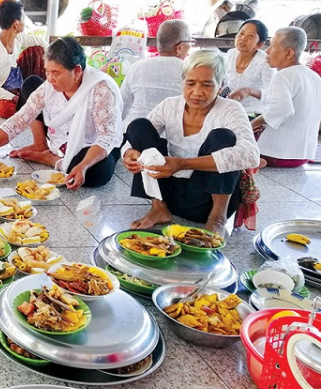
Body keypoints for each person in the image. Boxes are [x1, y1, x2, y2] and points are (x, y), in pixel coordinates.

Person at [122, 50, 260, 235]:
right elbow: (136, 137)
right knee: (138, 126)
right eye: (190, 83)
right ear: (182, 83)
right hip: (170, 195)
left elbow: (251, 155)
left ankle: (217, 218)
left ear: (220, 86)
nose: (197, 92)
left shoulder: (231, 109)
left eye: (207, 85)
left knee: (223, 137)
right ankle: (158, 208)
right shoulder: (170, 105)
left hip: (206, 200)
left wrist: (182, 164)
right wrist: (130, 154)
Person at [0, 37, 122, 190]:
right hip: (61, 137)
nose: (50, 79)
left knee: (96, 172)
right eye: (47, 71)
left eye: (56, 73)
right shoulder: (49, 87)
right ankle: (43, 148)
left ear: (77, 71)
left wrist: (83, 166)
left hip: (93, 144)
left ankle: (50, 158)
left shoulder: (101, 89)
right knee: (31, 83)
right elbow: (21, 119)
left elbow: (106, 137)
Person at [251, 27, 321, 168]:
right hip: (304, 155)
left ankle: (253, 161)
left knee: (230, 135)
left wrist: (252, 124)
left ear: (289, 53)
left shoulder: (283, 76)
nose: (267, 51)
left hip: (276, 154)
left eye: (272, 46)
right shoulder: (315, 77)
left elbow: (281, 109)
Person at [0, 0, 47, 120]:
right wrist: (17, 98)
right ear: (16, 24)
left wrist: (52, 62)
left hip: (10, 80)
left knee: (38, 50)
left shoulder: (18, 37)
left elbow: (41, 42)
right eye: (24, 19)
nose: (25, 23)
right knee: (11, 110)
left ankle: (44, 92)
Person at [120, 20, 191, 131]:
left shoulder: (137, 67)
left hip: (131, 133)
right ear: (179, 48)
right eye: (190, 42)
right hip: (169, 139)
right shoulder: (190, 70)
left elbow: (121, 106)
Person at [225, 19, 275, 115]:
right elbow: (224, 81)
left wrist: (248, 91)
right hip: (232, 108)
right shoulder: (231, 54)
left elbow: (271, 93)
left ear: (259, 44)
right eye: (241, 34)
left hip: (255, 112)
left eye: (250, 36)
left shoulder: (265, 62)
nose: (243, 38)